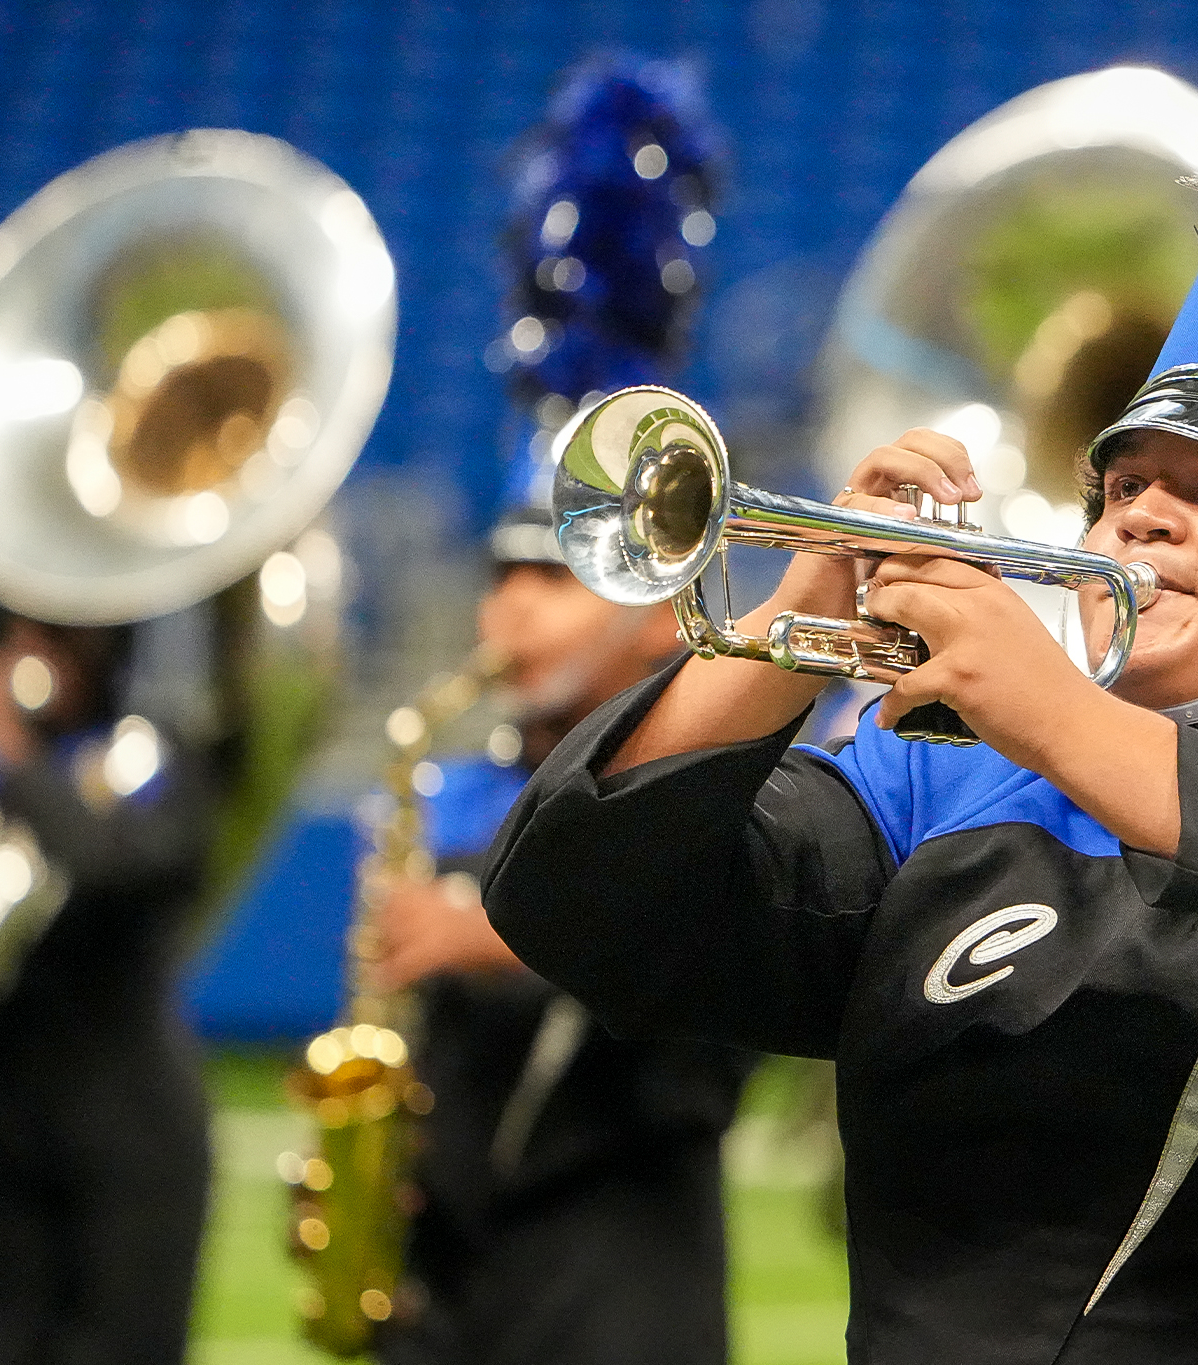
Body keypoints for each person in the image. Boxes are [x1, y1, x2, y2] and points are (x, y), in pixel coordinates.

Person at [482, 2, 1198, 1359]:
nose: (1140, 521)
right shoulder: (939, 783)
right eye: (1121, 488)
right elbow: (573, 903)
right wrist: (805, 598)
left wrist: (1063, 717)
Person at [363, 57, 757, 1365]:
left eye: (555, 581)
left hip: (618, 1295)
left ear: (658, 603)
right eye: (501, 581)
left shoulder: (711, 777)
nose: (512, 617)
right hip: (448, 1286)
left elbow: (703, 992)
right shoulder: (457, 779)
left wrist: (469, 938)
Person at [0, 578, 217, 1365]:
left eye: (58, 636)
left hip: (130, 1143)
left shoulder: (153, 751)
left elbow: (120, 865)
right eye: (16, 634)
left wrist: (13, 750)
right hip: (4, 1140)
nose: (32, 657)